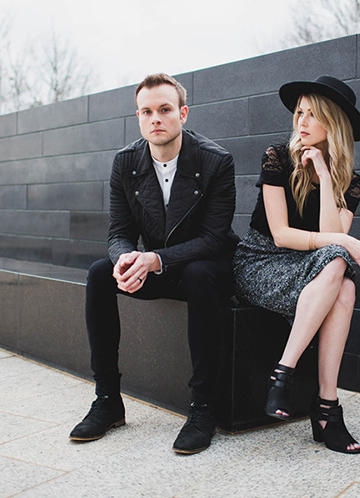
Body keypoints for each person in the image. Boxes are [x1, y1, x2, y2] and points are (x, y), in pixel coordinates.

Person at [70, 73, 238, 455]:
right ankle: (108, 400)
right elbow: (118, 233)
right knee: (99, 273)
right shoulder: (126, 162)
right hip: (157, 265)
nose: (155, 118)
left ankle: (202, 408)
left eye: (164, 110)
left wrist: (155, 259)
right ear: (139, 117)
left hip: (209, 267)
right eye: (146, 111)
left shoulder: (216, 161)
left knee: (197, 273)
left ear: (183, 113)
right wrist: (125, 259)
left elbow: (213, 239)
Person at [232, 76, 360, 454]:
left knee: (342, 279)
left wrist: (327, 177)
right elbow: (281, 235)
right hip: (261, 261)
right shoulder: (278, 157)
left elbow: (332, 237)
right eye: (300, 112)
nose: (302, 121)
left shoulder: (351, 181)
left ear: (334, 124)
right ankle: (324, 407)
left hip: (314, 270)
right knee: (340, 271)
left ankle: (290, 379)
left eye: (314, 115)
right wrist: (345, 240)